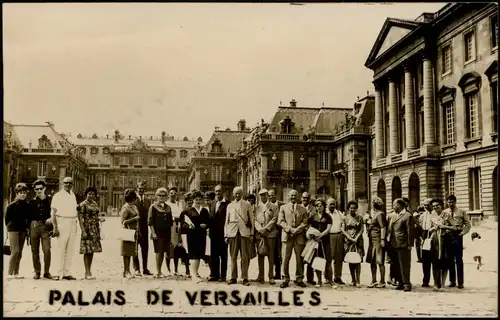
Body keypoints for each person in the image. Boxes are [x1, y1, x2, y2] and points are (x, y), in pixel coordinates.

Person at [278, 189, 308, 288]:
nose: (293, 197)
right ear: (288, 196)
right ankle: (285, 279)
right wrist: (290, 229)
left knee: (299, 259)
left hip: (299, 237)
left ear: (298, 197)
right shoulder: (283, 207)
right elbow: (280, 221)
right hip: (287, 236)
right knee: (285, 259)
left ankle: (299, 278)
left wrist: (297, 230)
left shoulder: (303, 209)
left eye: (295, 195)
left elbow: (305, 222)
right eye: (291, 196)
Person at [51, 177, 79, 280]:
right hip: (62, 221)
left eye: (70, 183)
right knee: (60, 248)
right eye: (66, 183)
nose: (68, 185)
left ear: (72, 184)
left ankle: (67, 272)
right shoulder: (57, 196)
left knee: (70, 248)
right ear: (63, 184)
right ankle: (57, 272)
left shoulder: (73, 195)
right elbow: (53, 213)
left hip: (73, 222)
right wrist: (55, 227)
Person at [225, 186, 254, 286]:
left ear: (242, 194)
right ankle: (233, 277)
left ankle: (245, 277)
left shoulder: (247, 204)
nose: (237, 195)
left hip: (244, 233)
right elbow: (227, 221)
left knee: (245, 257)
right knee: (233, 256)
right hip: (232, 233)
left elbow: (251, 220)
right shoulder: (229, 206)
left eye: (239, 193)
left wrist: (252, 233)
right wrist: (226, 234)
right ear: (233, 194)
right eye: (236, 193)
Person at [180, 190, 210, 283]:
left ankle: (195, 273)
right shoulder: (187, 211)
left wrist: (206, 225)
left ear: (201, 200)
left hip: (201, 236)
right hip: (191, 236)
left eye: (199, 199)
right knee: (193, 256)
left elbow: (208, 222)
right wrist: (188, 226)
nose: (197, 201)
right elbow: (182, 223)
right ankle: (193, 275)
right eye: (196, 199)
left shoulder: (204, 210)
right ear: (193, 200)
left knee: (199, 255)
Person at [428, 198, 456, 291]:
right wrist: (433, 228)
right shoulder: (432, 215)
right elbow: (429, 229)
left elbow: (454, 227)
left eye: (437, 205)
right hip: (435, 240)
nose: (435, 207)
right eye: (434, 206)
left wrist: (444, 226)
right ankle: (436, 284)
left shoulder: (446, 214)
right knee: (435, 262)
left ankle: (443, 285)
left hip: (445, 240)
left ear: (441, 205)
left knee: (444, 262)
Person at [387, 198, 414, 292]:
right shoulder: (392, 215)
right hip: (392, 243)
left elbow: (409, 231)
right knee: (396, 264)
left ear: (399, 205)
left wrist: (409, 244)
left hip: (403, 243)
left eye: (394, 204)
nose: (393, 206)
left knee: (404, 264)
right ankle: (400, 282)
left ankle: (407, 283)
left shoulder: (407, 215)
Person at [444, 194, 471, 289]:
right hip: (448, 235)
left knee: (459, 259)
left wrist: (462, 233)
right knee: (449, 259)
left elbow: (467, 224)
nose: (450, 203)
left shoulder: (461, 211)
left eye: (452, 202)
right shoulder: (445, 212)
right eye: (449, 202)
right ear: (447, 202)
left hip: (458, 235)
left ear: (455, 202)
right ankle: (452, 281)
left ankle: (460, 282)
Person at [28, 179, 53, 279]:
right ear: (34, 190)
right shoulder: (32, 202)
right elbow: (28, 217)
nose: (39, 191)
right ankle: (37, 272)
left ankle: (47, 272)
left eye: (41, 188)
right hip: (34, 226)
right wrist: (28, 229)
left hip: (45, 227)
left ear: (45, 188)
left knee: (47, 250)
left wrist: (51, 219)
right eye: (36, 189)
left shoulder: (50, 201)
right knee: (34, 250)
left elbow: (54, 213)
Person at [253, 189, 279, 285]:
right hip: (260, 234)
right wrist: (259, 229)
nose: (263, 196)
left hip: (270, 234)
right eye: (261, 195)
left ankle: (271, 276)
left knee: (271, 256)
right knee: (260, 254)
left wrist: (266, 229)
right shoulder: (256, 207)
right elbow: (254, 219)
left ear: (268, 195)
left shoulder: (274, 206)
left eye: (264, 195)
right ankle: (261, 276)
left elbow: (274, 219)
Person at [77, 186, 103, 280]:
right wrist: (83, 230)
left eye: (93, 194)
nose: (91, 195)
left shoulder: (95, 204)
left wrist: (100, 219)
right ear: (86, 194)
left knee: (92, 251)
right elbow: (80, 218)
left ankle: (89, 271)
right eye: (89, 194)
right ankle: (87, 271)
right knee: (87, 250)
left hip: (95, 229)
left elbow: (96, 216)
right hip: (87, 229)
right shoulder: (82, 204)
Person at [5, 183, 30, 279]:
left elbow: (28, 218)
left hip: (23, 230)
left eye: (24, 192)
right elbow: (7, 220)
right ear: (17, 193)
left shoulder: (27, 205)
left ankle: (16, 273)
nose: (23, 194)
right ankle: (10, 273)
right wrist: (8, 231)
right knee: (15, 251)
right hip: (13, 230)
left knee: (20, 252)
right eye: (20, 192)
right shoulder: (11, 206)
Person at [307, 198, 333, 288]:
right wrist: (313, 236)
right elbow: (309, 227)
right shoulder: (313, 216)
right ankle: (319, 281)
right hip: (316, 242)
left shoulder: (328, 216)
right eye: (317, 205)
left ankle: (331, 281)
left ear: (324, 206)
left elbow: (328, 228)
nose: (319, 207)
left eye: (321, 205)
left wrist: (320, 236)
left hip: (325, 241)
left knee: (328, 261)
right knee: (318, 260)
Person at [149, 188, 173, 278]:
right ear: (156, 196)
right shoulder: (153, 207)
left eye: (163, 196)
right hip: (157, 233)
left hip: (166, 233)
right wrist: (153, 233)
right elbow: (150, 222)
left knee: (163, 252)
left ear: (166, 197)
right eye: (159, 195)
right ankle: (158, 271)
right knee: (158, 252)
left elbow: (170, 222)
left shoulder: (168, 207)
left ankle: (161, 271)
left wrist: (170, 235)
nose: (161, 197)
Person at [365, 196, 387, 288]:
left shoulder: (380, 214)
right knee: (372, 261)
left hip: (377, 240)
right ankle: (374, 280)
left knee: (380, 260)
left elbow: (383, 227)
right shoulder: (375, 214)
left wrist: (382, 240)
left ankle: (382, 281)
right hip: (372, 241)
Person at [208, 185, 229, 282]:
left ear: (223, 191)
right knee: (214, 255)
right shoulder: (212, 203)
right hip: (213, 233)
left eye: (219, 191)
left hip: (223, 233)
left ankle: (223, 276)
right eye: (216, 191)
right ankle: (214, 275)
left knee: (223, 255)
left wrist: (227, 233)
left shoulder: (228, 204)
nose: (218, 193)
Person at [341, 200, 364, 287]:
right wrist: (349, 237)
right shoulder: (345, 218)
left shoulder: (360, 218)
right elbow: (343, 229)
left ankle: (358, 280)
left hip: (358, 241)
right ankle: (353, 279)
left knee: (358, 261)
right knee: (351, 260)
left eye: (354, 208)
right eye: (351, 208)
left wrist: (356, 238)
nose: (352, 210)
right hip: (349, 241)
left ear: (356, 209)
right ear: (348, 209)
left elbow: (362, 229)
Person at [120, 189, 140, 279]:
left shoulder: (134, 207)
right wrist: (134, 219)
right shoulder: (126, 208)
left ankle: (126, 271)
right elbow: (123, 222)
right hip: (127, 232)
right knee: (126, 252)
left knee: (131, 252)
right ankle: (127, 271)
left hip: (134, 232)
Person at [327, 197, 345, 285]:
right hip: (328, 236)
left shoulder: (339, 213)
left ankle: (338, 277)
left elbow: (343, 223)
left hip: (338, 235)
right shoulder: (325, 213)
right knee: (328, 258)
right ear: (327, 205)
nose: (332, 206)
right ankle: (327, 277)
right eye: (330, 204)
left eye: (334, 204)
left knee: (339, 258)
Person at [134, 181, 152, 276]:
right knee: (135, 249)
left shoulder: (148, 200)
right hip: (135, 227)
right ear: (137, 189)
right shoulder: (132, 200)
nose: (141, 190)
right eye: (139, 188)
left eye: (142, 189)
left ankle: (145, 268)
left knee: (145, 248)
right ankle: (137, 269)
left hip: (145, 227)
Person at [165, 187, 183, 276]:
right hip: (169, 227)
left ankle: (176, 269)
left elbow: (181, 215)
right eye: (171, 193)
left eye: (175, 193)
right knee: (169, 248)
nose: (173, 195)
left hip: (178, 227)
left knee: (177, 249)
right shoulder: (166, 204)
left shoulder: (179, 204)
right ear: (169, 194)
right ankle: (168, 269)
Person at [268, 189, 284, 280]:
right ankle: (276, 273)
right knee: (273, 252)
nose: (271, 197)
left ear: (275, 195)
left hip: (280, 232)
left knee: (280, 252)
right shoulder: (268, 205)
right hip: (271, 231)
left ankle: (281, 273)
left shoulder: (282, 204)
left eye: (272, 195)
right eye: (269, 196)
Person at [418, 203, 433, 288]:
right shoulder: (423, 216)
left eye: (428, 205)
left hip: (433, 237)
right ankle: (425, 280)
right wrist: (421, 238)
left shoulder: (435, 215)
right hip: (424, 237)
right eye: (425, 205)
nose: (426, 207)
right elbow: (420, 228)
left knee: (434, 260)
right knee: (425, 261)